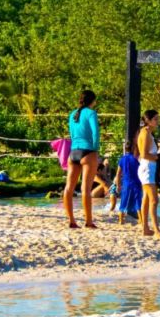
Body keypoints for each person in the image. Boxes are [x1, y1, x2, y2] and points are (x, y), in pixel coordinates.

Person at [64, 89, 100, 229]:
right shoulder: (91, 113)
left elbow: (72, 134)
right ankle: (89, 221)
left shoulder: (73, 114)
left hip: (73, 152)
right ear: (93, 101)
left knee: (69, 188)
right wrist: (95, 149)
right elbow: (95, 133)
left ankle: (71, 220)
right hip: (87, 151)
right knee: (86, 188)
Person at [136, 110, 160, 238]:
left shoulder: (147, 132)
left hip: (148, 168)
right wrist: (157, 158)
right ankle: (156, 230)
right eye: (155, 119)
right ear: (148, 120)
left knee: (146, 199)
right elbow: (143, 154)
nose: (157, 121)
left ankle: (145, 228)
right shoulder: (145, 133)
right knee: (154, 200)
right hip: (147, 168)